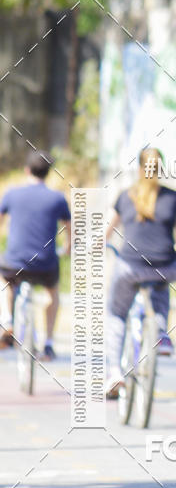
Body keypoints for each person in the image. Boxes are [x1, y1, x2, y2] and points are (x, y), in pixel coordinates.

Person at [105, 147, 176, 397]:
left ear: (139, 169)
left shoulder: (125, 196)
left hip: (130, 266)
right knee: (161, 285)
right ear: (161, 169)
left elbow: (106, 234)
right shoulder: (173, 198)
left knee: (117, 314)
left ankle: (113, 373)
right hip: (165, 266)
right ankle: (162, 334)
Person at [0, 149, 71, 359]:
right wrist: (67, 248)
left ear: (26, 170)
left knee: (5, 280)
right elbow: (69, 228)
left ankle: (7, 320)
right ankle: (48, 343)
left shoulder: (12, 194)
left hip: (15, 261)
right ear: (48, 172)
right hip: (45, 264)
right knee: (52, 294)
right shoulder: (57, 198)